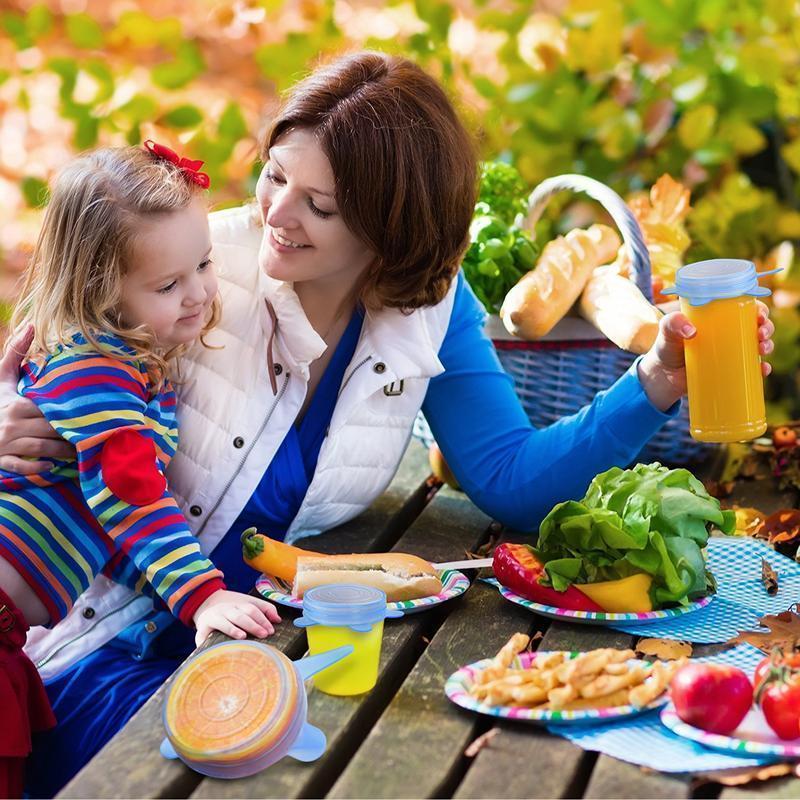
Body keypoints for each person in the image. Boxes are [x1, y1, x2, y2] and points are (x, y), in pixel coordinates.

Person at [0, 52, 773, 796]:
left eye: (320, 205)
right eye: (275, 176)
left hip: (262, 646)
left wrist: (659, 379)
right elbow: (50, 353)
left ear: (392, 226)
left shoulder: (430, 305)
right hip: (102, 641)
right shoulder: (184, 264)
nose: (277, 212)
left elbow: (511, 477)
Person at [0, 142, 280, 796]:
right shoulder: (94, 370)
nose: (200, 293)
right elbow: (129, 496)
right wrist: (200, 595)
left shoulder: (126, 370)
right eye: (168, 284)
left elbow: (99, 522)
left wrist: (161, 590)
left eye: (204, 265)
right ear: (101, 288)